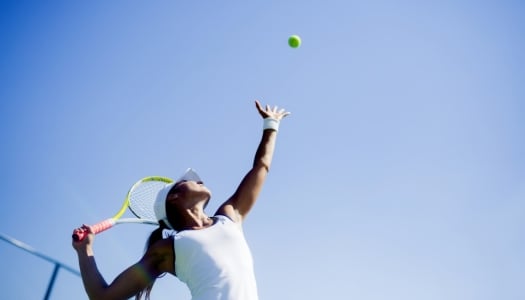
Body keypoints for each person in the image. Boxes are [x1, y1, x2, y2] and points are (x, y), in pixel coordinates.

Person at [72, 100, 290, 300]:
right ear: (174, 197)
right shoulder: (167, 249)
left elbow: (261, 167)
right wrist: (85, 250)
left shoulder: (230, 216)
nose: (199, 180)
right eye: (188, 180)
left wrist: (271, 124)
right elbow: (102, 297)